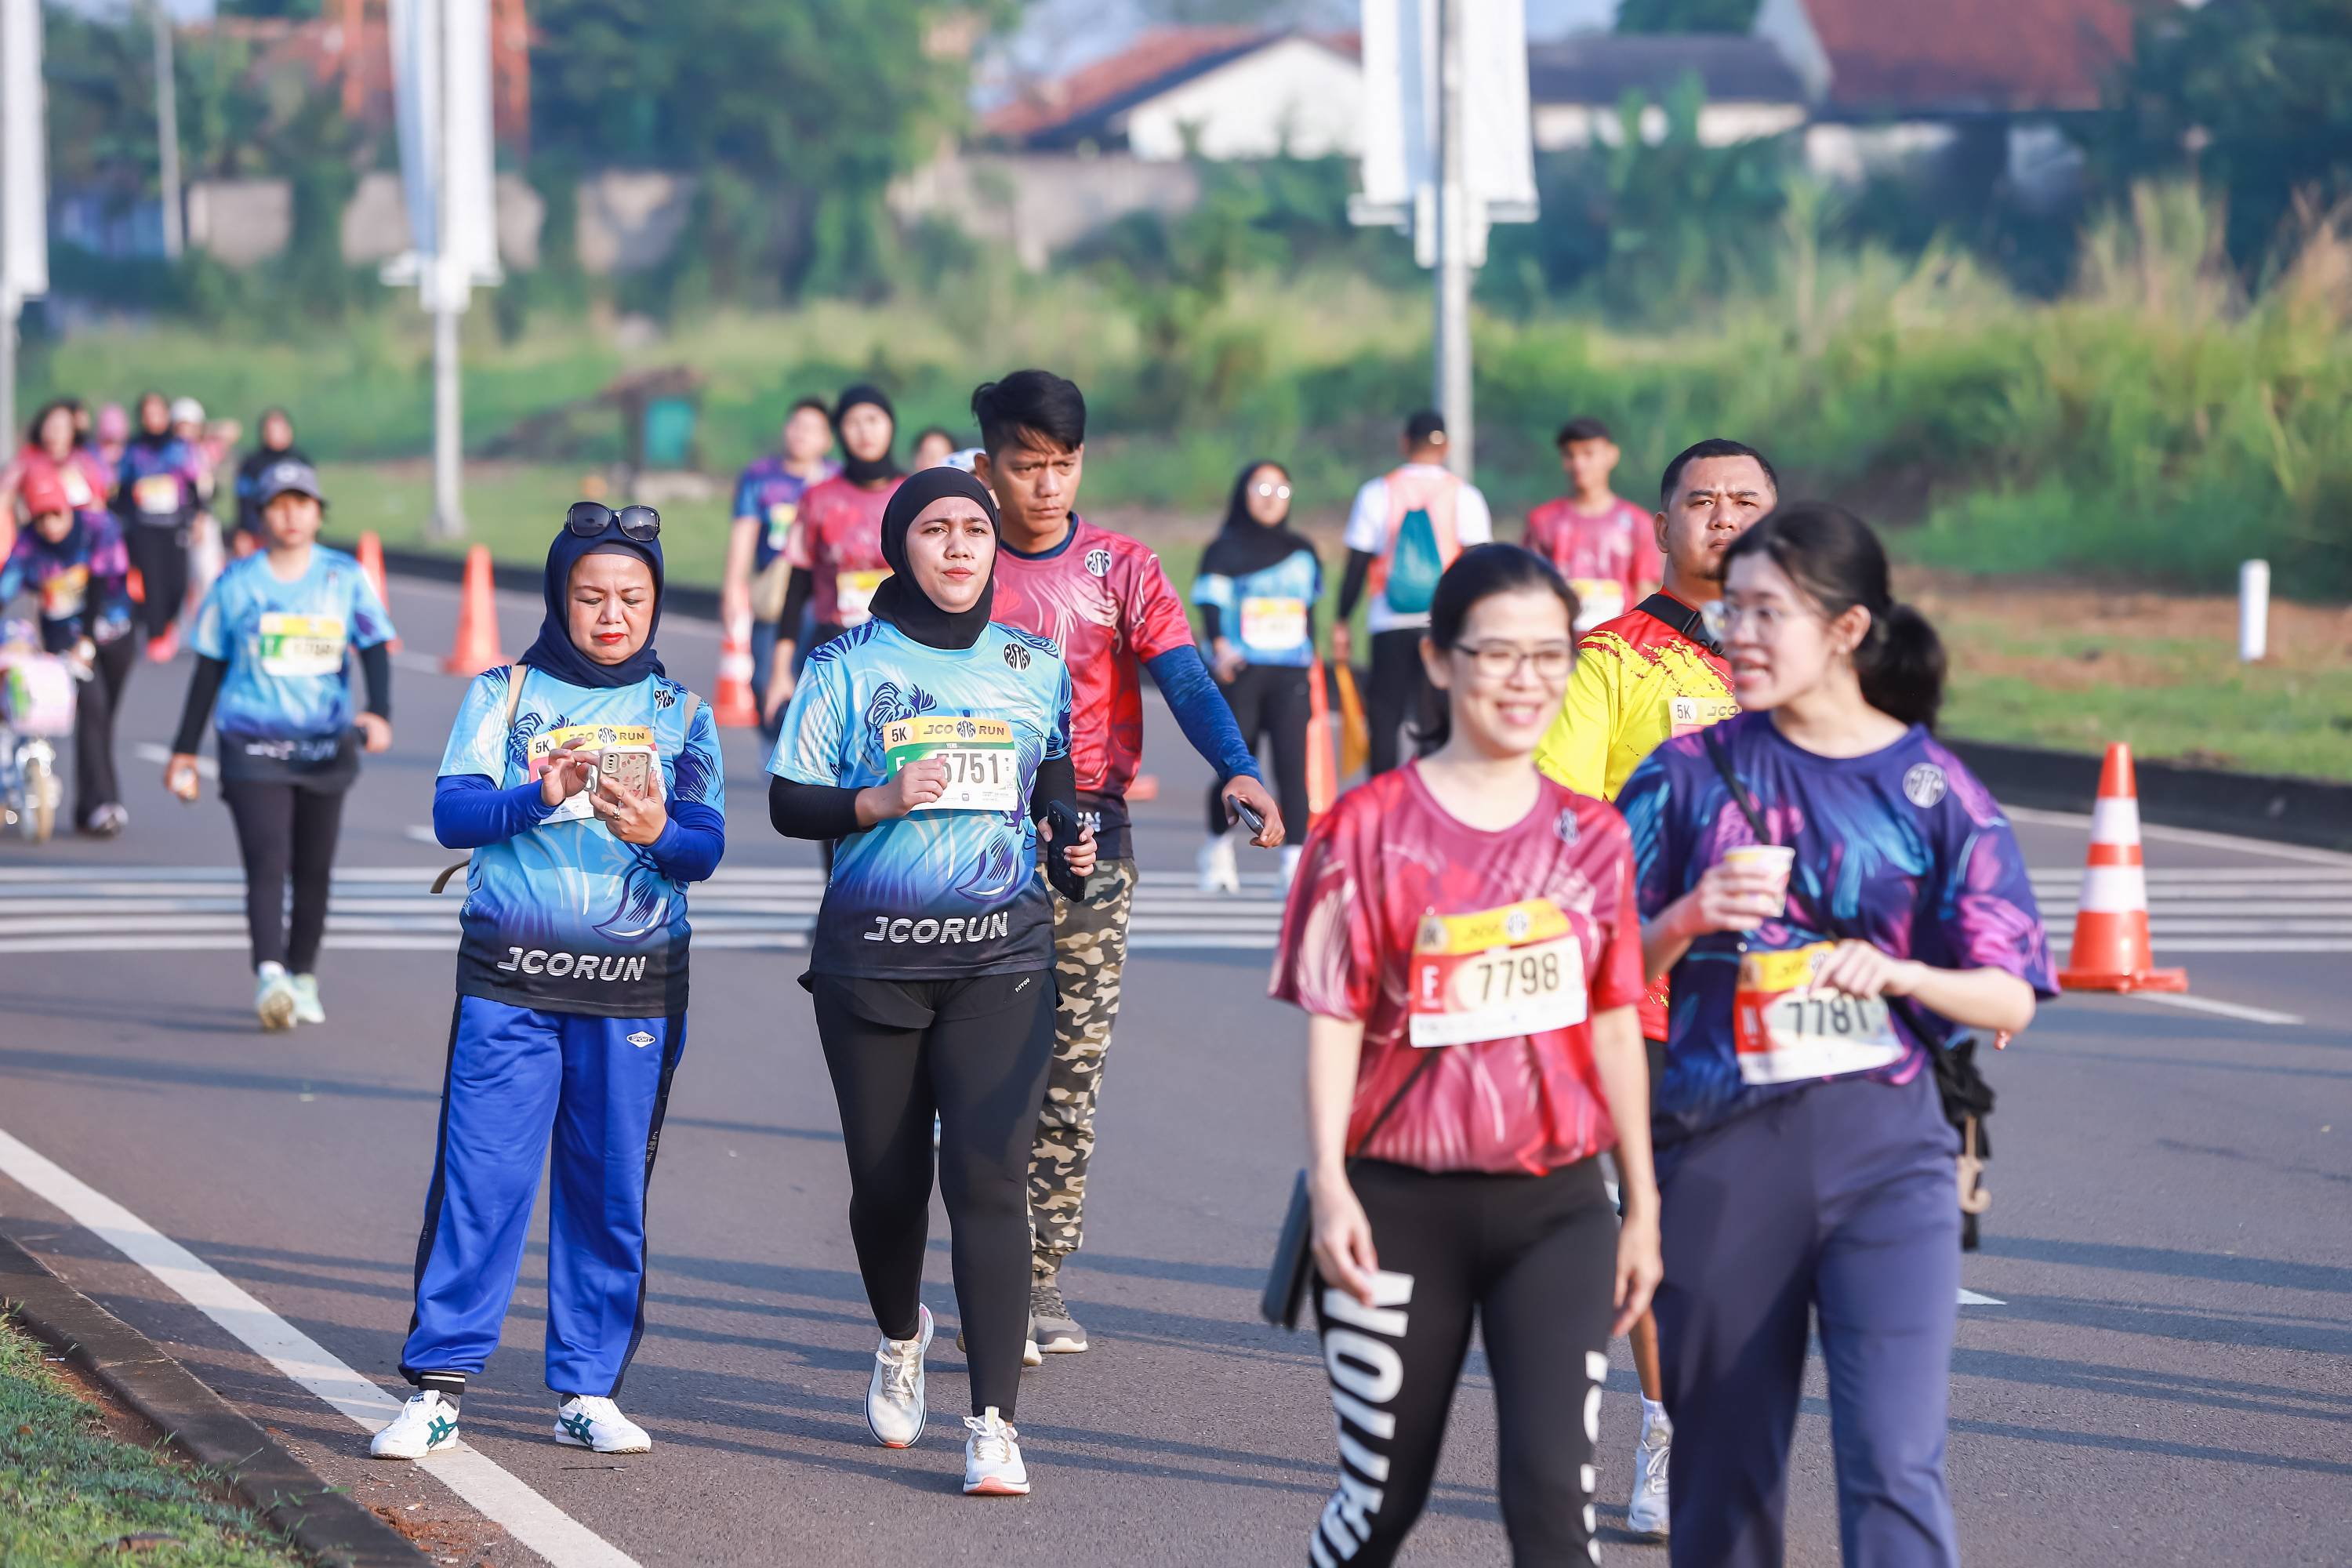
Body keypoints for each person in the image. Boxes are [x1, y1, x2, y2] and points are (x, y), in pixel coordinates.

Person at [1619, 503, 2055, 1568]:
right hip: (1720, 1154)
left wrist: (1906, 973)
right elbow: (1598, 971)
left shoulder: (1933, 790)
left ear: (1848, 628)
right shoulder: (1683, 777)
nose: (1738, 634)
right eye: (1731, 610)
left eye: (1768, 612)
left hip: (1891, 1161)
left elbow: (2010, 996)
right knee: (1723, 1479)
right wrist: (1686, 917)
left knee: (1895, 1465)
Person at [1272, 543, 1662, 1567]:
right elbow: (1334, 1020)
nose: (1527, 679)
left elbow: (1615, 1021)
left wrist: (1642, 1204)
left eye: (1551, 654)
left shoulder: (1594, 838)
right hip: (1396, 1207)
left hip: (1560, 1209)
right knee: (1380, 1506)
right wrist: (1331, 1188)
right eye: (1498, 653)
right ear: (1441, 660)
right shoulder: (1365, 829)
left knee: (1554, 1511)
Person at [372, 502, 725, 1463]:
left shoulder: (682, 713)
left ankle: (588, 1389)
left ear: (655, 603)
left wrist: (656, 829)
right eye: (591, 595)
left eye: (632, 597)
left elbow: (704, 848)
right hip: (509, 982)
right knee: (480, 1183)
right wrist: (545, 794)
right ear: (559, 597)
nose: (612, 614)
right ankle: (438, 1387)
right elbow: (454, 814)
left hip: (635, 990)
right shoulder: (504, 692)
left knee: (609, 1192)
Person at [768, 466, 1091, 1496]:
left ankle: (994, 1423)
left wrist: (1068, 838)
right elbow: (788, 801)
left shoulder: (1035, 662)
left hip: (1004, 955)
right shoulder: (846, 665)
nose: (958, 546)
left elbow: (1054, 779)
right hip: (874, 959)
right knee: (888, 1187)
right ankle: (901, 1334)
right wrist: (876, 801)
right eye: (936, 529)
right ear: (901, 546)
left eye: (974, 530)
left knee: (989, 1179)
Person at [975, 369, 1281, 1356]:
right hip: (972, 848)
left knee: (1071, 1073)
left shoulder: (1122, 568)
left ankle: (1039, 1277)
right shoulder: (960, 563)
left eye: (1063, 464)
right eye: (1026, 465)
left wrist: (1238, 767)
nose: (1046, 485)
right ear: (987, 467)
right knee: (983, 1077)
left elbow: (1183, 678)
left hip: (1094, 844)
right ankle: (985, 1266)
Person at [1533, 434, 1776, 1537]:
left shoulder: (1820, 655)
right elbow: (1559, 817)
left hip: (1790, 993)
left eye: (1746, 501)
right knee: (1668, 1219)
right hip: (1657, 987)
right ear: (1662, 524)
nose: (1723, 516)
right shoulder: (1612, 662)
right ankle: (1672, 1430)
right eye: (1702, 500)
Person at [164, 461, 394, 1029]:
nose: (291, 515)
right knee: (268, 859)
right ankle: (270, 975)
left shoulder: (344, 577)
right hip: (251, 748)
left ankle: (302, 976)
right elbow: (208, 667)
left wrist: (380, 713)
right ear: (262, 515)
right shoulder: (237, 584)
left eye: (302, 503)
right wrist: (184, 751)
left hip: (325, 748)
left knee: (314, 868)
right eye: (278, 504)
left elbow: (373, 645)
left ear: (318, 513)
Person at [1335, 410, 1494, 775]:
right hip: (1443, 622)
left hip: (1388, 620)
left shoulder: (1377, 492)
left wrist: (1342, 619)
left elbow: (1357, 565)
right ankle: (1432, 795)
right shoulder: (1464, 495)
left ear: (1405, 443)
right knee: (1434, 717)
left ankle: (1383, 799)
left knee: (1385, 715)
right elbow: (1481, 566)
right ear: (1446, 447)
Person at [1190, 459, 1317, 894]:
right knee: (1236, 766)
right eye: (1262, 489)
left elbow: (1309, 612)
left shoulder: (1303, 551)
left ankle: (1294, 862)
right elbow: (1210, 605)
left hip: (1291, 672)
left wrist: (1312, 661)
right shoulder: (1222, 550)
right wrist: (1219, 647)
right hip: (1240, 672)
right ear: (1243, 494)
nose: (1271, 499)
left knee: (1293, 768)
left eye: (1281, 491)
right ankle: (1217, 847)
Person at [0, 466, 136, 833]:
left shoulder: (99, 528)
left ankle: (86, 807)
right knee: (92, 709)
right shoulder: (30, 544)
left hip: (113, 632)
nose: (49, 525)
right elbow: (7, 587)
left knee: (104, 718)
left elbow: (102, 582)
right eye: (40, 517)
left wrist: (88, 638)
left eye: (55, 514)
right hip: (66, 642)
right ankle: (104, 804)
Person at [760, 386, 904, 721]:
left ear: (890, 425)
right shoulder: (818, 499)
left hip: (902, 648)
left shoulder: (914, 494)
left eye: (873, 420)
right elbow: (796, 589)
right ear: (839, 432)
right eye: (853, 422)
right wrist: (780, 671)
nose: (865, 431)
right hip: (835, 648)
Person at [721, 397, 836, 720]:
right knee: (763, 677)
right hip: (773, 595)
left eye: (812, 429)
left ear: (827, 439)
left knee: (812, 677)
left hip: (821, 596)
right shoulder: (759, 477)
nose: (802, 434)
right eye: (797, 425)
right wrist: (733, 589)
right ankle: (772, 738)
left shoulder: (835, 479)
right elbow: (744, 533)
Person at [1523, 416, 1662, 633]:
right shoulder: (1543, 521)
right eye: (1570, 455)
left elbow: (1644, 590)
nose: (1579, 464)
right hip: (1560, 639)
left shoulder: (1637, 522)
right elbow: (1531, 587)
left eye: (1588, 454)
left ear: (1611, 455)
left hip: (1619, 643)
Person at [114, 391, 209, 661]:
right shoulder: (134, 450)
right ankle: (156, 636)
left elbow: (195, 487)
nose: (153, 419)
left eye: (158, 413)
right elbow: (123, 490)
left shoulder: (180, 449)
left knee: (178, 581)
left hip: (174, 524)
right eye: (147, 415)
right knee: (152, 581)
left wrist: (199, 517)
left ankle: (168, 622)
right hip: (144, 526)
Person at [3, 401, 112, 565]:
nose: (56, 432)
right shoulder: (28, 460)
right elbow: (4, 496)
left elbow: (99, 505)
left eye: (62, 427)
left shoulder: (83, 461)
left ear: (72, 431)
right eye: (51, 426)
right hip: (41, 546)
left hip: (81, 546)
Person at [232, 409, 310, 557]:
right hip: (260, 535)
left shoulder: (301, 462)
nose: (275, 434)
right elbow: (244, 499)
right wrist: (243, 531)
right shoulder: (252, 464)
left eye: (279, 429)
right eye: (270, 430)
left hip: (295, 536)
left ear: (289, 431)